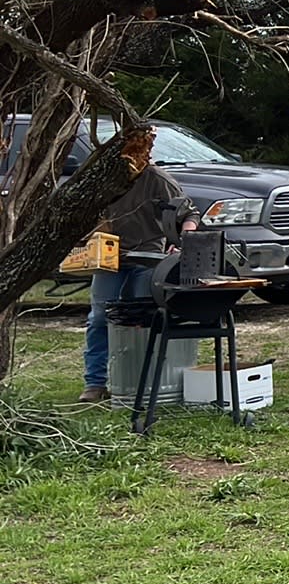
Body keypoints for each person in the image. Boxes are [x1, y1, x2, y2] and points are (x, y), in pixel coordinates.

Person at [79, 155, 197, 404]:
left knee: (140, 320)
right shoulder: (103, 177)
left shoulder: (157, 179)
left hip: (147, 257)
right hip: (108, 257)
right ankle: (95, 383)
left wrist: (183, 242)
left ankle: (141, 380)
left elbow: (189, 213)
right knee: (100, 316)